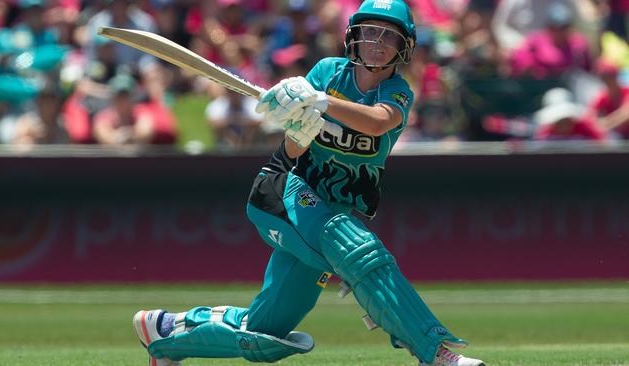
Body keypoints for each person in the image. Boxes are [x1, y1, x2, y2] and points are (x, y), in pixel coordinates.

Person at [132, 1, 485, 366]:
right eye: (369, 31)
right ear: (355, 37)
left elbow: (379, 122)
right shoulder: (328, 72)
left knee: (265, 335)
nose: (377, 41)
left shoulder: (397, 92)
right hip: (284, 190)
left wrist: (321, 103)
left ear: (404, 46)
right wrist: (298, 125)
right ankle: (435, 354)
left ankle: (165, 333)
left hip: (330, 211)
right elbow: (292, 149)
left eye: (388, 35)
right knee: (358, 250)